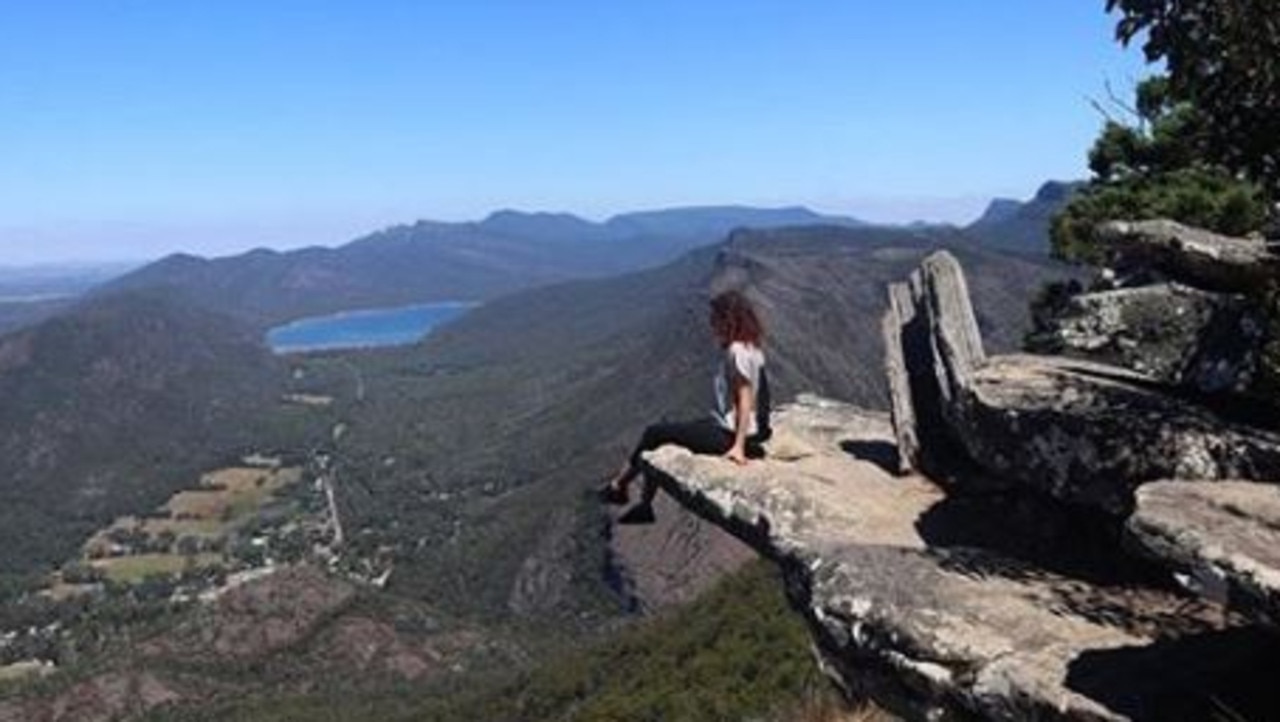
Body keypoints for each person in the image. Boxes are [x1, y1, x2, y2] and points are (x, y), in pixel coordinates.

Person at [600, 289, 769, 523]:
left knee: (654, 432)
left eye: (715, 319)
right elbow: (761, 395)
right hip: (733, 429)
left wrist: (738, 446)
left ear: (727, 319)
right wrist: (760, 431)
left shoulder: (736, 351)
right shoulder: (752, 349)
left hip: (727, 435)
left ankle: (621, 487)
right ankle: (637, 500)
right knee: (664, 433)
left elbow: (745, 397)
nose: (711, 325)